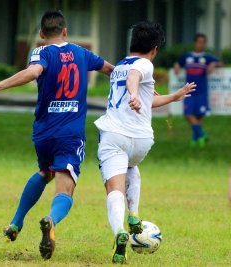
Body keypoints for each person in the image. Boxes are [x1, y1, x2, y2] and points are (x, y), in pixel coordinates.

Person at [0, 10, 113, 260]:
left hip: (43, 132)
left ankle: (15, 224)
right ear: (65, 31)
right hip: (70, 133)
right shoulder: (82, 53)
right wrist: (140, 86)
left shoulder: (40, 52)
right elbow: (110, 70)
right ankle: (50, 220)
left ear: (41, 34)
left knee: (45, 171)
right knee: (65, 187)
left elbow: (33, 72)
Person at [94, 21, 196, 264]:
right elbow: (140, 87)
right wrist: (172, 97)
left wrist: (133, 94)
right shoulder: (145, 64)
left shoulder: (123, 65)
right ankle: (134, 215)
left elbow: (133, 78)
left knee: (114, 189)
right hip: (141, 142)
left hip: (115, 136)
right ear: (155, 49)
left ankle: (120, 231)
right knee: (132, 167)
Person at [174, 33, 221, 147]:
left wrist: (214, 64)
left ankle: (196, 140)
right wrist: (176, 65)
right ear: (195, 43)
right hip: (189, 92)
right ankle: (202, 135)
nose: (201, 44)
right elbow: (178, 63)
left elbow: (220, 62)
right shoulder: (187, 56)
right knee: (188, 114)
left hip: (202, 91)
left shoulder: (208, 57)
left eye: (203, 42)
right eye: (199, 42)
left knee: (199, 116)